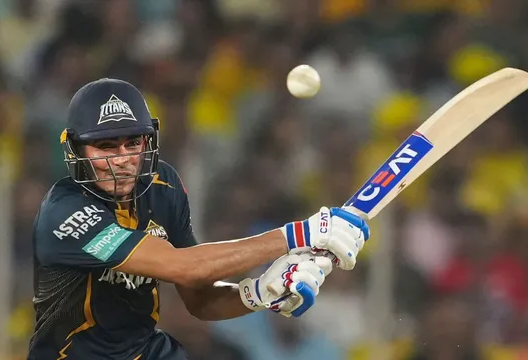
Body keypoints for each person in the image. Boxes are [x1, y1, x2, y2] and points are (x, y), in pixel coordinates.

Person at [27, 78, 370, 360]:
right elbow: (184, 267)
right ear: (75, 150)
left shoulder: (163, 186)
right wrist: (297, 234)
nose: (123, 159)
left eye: (133, 143)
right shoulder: (64, 212)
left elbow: (200, 299)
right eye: (105, 146)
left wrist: (260, 292)